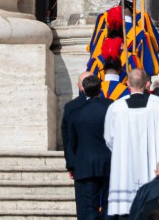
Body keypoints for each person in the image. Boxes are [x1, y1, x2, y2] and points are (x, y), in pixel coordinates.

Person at [103, 68, 159, 217]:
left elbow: (109, 139)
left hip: (124, 169)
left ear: (127, 83)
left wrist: (122, 150)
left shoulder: (116, 108)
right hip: (152, 166)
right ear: (147, 84)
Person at [66, 74, 112, 220]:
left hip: (85, 165)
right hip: (109, 163)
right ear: (100, 89)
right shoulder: (111, 107)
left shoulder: (74, 112)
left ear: (83, 90)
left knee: (88, 208)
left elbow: (71, 142)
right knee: (108, 206)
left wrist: (71, 165)